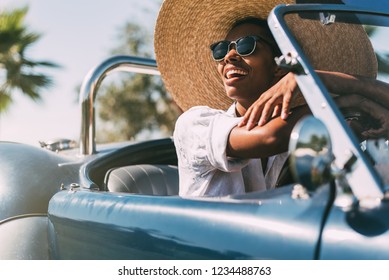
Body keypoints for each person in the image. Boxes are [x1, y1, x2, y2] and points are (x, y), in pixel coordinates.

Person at [154, 0, 389, 196]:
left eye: (247, 46)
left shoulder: (304, 129)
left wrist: (318, 79)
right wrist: (347, 103)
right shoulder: (194, 124)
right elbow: (269, 137)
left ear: (279, 67)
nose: (230, 56)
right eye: (221, 49)